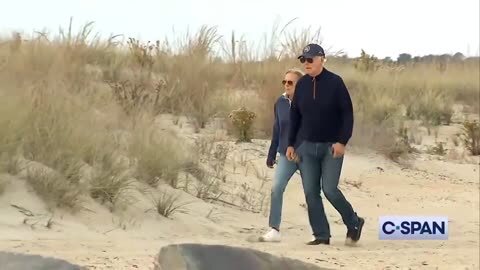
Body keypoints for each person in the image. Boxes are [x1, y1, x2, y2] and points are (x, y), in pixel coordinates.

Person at [286, 43, 365, 245]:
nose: (306, 64)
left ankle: (354, 222)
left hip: (331, 147)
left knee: (329, 189)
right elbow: (294, 116)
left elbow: (347, 114)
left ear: (322, 59)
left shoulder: (335, 83)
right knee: (311, 192)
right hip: (306, 147)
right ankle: (321, 235)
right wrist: (291, 144)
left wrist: (342, 141)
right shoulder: (302, 84)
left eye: (310, 59)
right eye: (303, 60)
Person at [260, 68, 305, 242]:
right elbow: (277, 128)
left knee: (317, 191)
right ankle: (274, 229)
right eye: (284, 82)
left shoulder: (310, 103)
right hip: (286, 154)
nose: (286, 85)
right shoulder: (280, 102)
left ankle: (328, 229)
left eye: (290, 82)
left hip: (306, 155)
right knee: (276, 188)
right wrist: (272, 153)